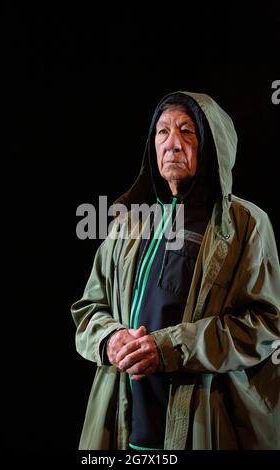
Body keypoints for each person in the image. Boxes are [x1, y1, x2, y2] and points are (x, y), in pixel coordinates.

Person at [71, 91, 280, 450]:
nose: (173, 145)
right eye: (162, 132)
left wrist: (168, 347)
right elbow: (89, 309)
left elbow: (264, 324)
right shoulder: (129, 223)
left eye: (187, 132)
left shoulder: (245, 224)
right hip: (125, 419)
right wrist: (109, 339)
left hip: (204, 422)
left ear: (213, 145)